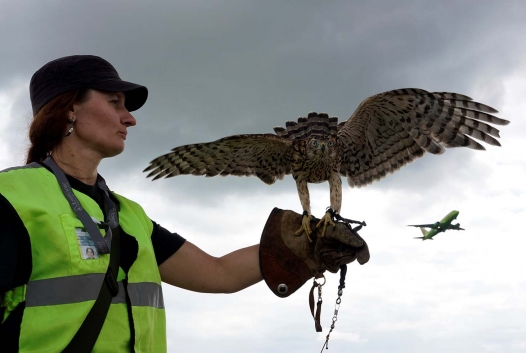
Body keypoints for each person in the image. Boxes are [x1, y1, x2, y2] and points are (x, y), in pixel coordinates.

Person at [0, 55, 368, 352]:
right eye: (114, 103)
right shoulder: (12, 199)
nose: (129, 118)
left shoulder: (128, 216)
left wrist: (310, 244)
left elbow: (218, 273)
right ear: (69, 110)